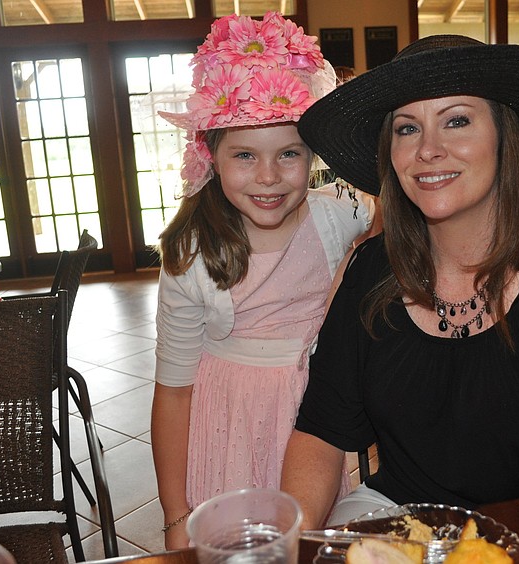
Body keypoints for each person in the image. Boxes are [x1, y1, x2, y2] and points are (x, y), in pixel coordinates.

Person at [281, 34, 519, 529]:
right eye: (406, 128)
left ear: (507, 138)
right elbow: (320, 433)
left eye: (456, 121)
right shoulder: (370, 270)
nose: (428, 150)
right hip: (394, 518)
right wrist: (291, 545)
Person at [149, 12, 376, 549]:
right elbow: (174, 393)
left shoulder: (342, 214)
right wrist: (175, 514)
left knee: (320, 546)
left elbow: (391, 218)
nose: (269, 177)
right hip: (231, 429)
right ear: (210, 156)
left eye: (289, 154)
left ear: (311, 156)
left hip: (322, 421)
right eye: (245, 155)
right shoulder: (191, 253)